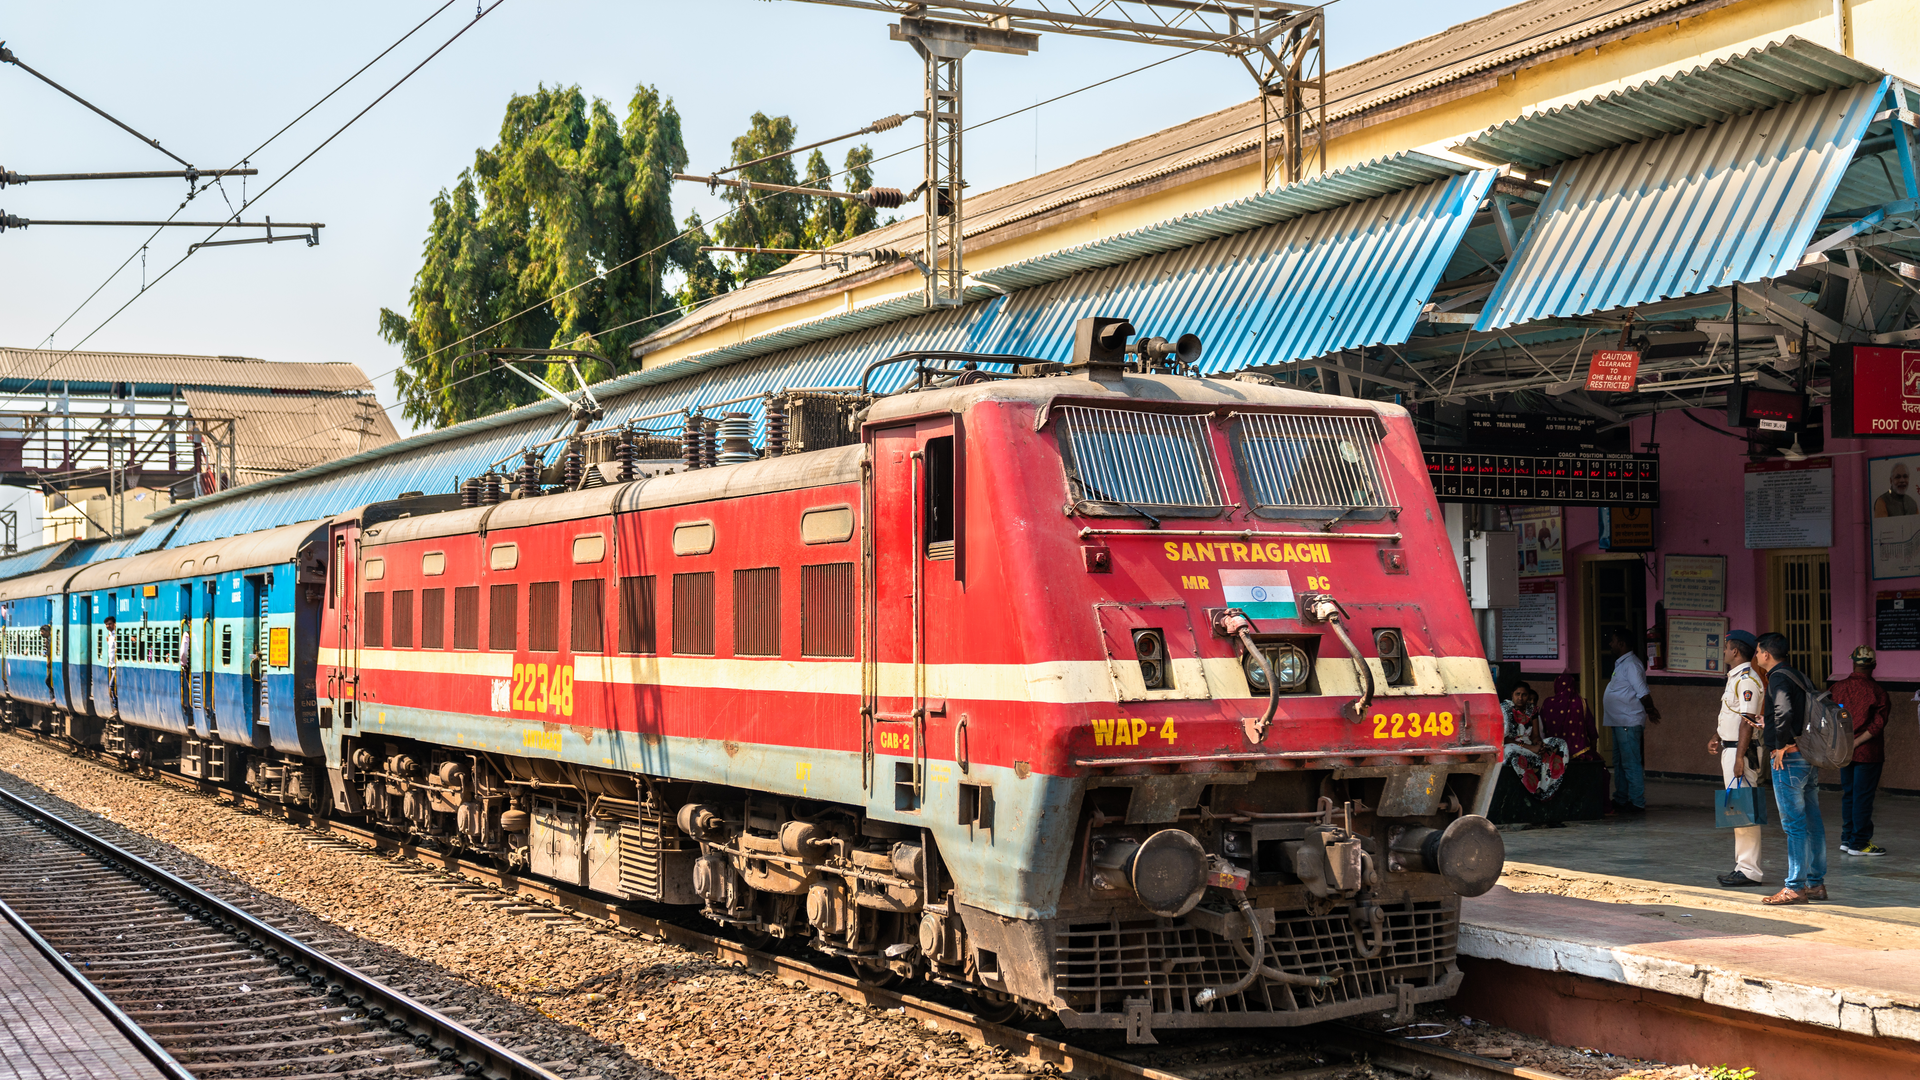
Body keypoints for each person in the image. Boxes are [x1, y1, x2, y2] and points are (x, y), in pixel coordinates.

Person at [1754, 633, 1827, 905]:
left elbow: (1784, 711)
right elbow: (1788, 713)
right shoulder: (1798, 675)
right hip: (1807, 756)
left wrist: (1781, 744)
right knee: (1812, 821)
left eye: (1759, 651)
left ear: (1767, 654)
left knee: (1794, 825)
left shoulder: (1777, 677)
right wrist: (1767, 721)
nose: (1757, 655)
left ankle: (1794, 887)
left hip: (1789, 759)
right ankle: (1816, 884)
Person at [1708, 630, 1765, 887]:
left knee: (1744, 810)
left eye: (1727, 647)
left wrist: (1740, 757)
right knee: (1738, 809)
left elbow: (1747, 722)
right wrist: (1718, 736)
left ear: (1735, 651)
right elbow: (1732, 716)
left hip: (1740, 751)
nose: (1724, 651)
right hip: (1731, 748)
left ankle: (1749, 870)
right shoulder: (1735, 678)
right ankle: (1742, 866)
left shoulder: (1747, 680)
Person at [1829, 645, 1891, 857]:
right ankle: (1860, 842)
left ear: (1853, 663)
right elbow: (1877, 726)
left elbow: (1829, 718)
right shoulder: (1878, 692)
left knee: (1849, 795)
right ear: (1873, 665)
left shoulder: (1837, 688)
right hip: (1868, 753)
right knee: (1863, 797)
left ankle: (1847, 838)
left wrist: (1845, 744)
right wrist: (1856, 743)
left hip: (1843, 752)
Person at [1603, 628, 1661, 813]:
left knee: (1631, 763)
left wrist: (1650, 710)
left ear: (1621, 643)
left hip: (1628, 722)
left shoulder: (1631, 665)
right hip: (1619, 721)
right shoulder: (1622, 664)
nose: (1610, 644)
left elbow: (1643, 692)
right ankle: (1621, 798)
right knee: (1619, 762)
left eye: (1613, 641)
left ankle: (1636, 802)